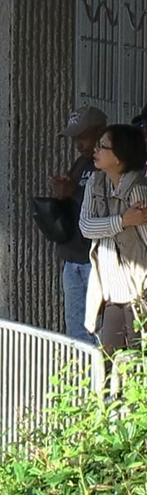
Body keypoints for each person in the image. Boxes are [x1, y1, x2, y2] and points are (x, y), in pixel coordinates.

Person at [79, 124, 147, 352]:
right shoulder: (95, 182)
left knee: (137, 358)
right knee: (108, 358)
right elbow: (86, 226)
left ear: (119, 156)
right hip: (110, 290)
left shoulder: (137, 189)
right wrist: (123, 221)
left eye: (102, 146)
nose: (95, 150)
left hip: (138, 290)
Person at [49, 107, 106, 344]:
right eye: (74, 138)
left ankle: (99, 378)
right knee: (76, 329)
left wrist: (74, 193)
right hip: (73, 256)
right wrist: (64, 192)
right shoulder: (82, 163)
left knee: (98, 331)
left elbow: (106, 208)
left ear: (100, 133)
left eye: (82, 136)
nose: (77, 143)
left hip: (95, 258)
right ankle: (82, 378)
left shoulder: (105, 165)